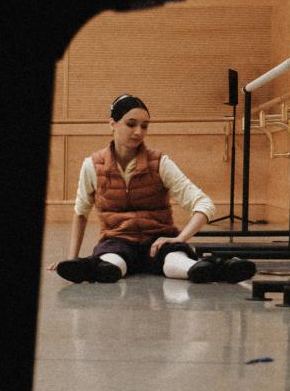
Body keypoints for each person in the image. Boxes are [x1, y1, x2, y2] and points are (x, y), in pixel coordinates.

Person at [51, 94, 256, 284]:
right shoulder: (92, 165)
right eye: (131, 124)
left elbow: (204, 203)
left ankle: (217, 268)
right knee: (111, 264)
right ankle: (90, 268)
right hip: (117, 241)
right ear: (112, 124)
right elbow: (81, 213)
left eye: (145, 126)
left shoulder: (160, 163)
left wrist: (179, 238)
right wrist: (72, 260)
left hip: (157, 242)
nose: (139, 132)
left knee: (176, 261)